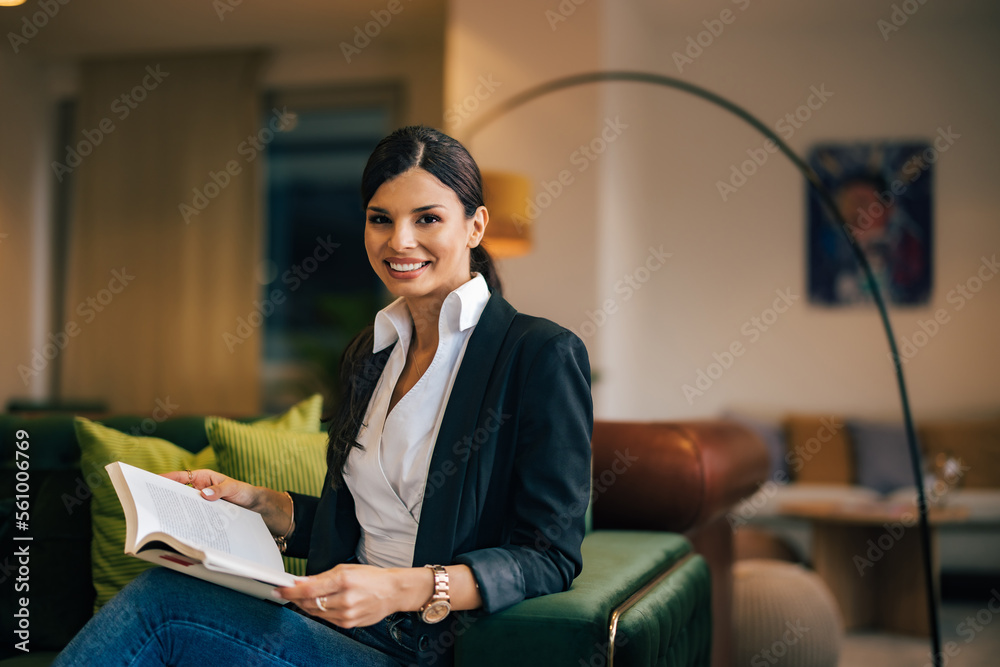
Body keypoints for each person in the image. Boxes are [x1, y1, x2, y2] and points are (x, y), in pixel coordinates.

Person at [53, 125, 594, 667]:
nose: (399, 241)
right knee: (171, 591)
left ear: (476, 226)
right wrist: (261, 505)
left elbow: (548, 555)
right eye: (380, 219)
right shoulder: (371, 354)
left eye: (427, 218)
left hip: (421, 647)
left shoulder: (538, 354)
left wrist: (402, 589)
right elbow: (365, 525)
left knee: (162, 606)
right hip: (330, 621)